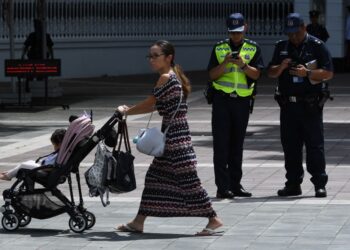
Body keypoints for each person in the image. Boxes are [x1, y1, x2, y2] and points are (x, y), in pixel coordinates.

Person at [115, 40, 223, 236]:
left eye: (156, 56)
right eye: (150, 56)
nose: (151, 60)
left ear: (168, 57)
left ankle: (213, 219)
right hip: (176, 136)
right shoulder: (175, 76)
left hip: (175, 140)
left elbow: (151, 104)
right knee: (154, 179)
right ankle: (138, 222)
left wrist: (126, 111)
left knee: (189, 183)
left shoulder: (166, 77)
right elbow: (157, 104)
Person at [268, 13, 333, 198]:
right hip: (288, 106)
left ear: (304, 28)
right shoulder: (281, 46)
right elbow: (271, 73)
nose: (293, 37)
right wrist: (281, 67)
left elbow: (328, 73)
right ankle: (293, 183)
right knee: (290, 146)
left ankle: (319, 184)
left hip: (310, 105)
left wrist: (308, 73)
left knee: (314, 146)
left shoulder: (317, 46)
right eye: (289, 33)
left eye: (296, 32)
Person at [207, 13, 264, 199]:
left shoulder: (253, 48)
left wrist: (243, 65)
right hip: (222, 101)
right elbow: (212, 75)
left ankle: (235, 184)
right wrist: (225, 63)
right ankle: (222, 187)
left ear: (245, 27)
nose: (236, 36)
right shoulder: (219, 48)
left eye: (239, 32)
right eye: (232, 32)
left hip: (241, 102)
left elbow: (256, 75)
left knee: (237, 145)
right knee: (221, 145)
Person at [0, 128, 66, 181]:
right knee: (29, 162)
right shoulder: (63, 152)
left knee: (23, 165)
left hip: (44, 169)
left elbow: (52, 167)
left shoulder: (60, 153)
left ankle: (7, 176)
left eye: (54, 145)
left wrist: (42, 167)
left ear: (60, 143)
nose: (54, 147)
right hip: (44, 167)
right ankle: (9, 173)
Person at [21, 19, 54, 92]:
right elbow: (26, 46)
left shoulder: (46, 36)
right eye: (36, 26)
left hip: (42, 57)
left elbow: (50, 47)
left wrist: (52, 56)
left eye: (38, 26)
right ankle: (28, 88)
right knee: (30, 75)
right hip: (33, 57)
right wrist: (22, 55)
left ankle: (40, 90)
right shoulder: (32, 35)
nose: (37, 27)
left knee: (41, 75)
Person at [345, 6, 350, 70]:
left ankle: (348, 66)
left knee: (349, 53)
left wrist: (346, 36)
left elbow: (347, 28)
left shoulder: (349, 17)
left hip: (349, 37)